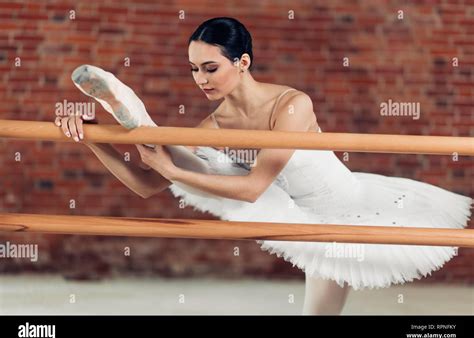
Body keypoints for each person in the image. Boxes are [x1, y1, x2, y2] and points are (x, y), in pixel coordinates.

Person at [54, 17, 473, 315]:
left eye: (211, 68)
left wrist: (174, 169)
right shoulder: (214, 124)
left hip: (351, 208)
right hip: (306, 219)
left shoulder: (291, 103)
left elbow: (254, 188)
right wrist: (93, 137)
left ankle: (149, 127)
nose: (200, 79)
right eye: (194, 70)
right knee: (187, 155)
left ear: (243, 62)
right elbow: (146, 184)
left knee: (188, 162)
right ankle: (137, 119)